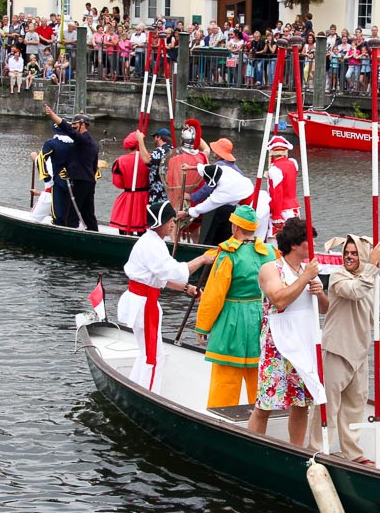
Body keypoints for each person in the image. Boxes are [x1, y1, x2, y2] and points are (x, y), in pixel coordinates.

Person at [116, 201, 214, 392]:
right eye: (171, 221)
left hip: (143, 301)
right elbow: (174, 272)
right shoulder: (153, 245)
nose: (173, 225)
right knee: (154, 357)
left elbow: (160, 277)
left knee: (148, 353)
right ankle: (148, 396)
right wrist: (202, 259)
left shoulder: (152, 241)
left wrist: (186, 288)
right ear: (160, 222)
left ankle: (137, 387)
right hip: (145, 305)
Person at [308, 235, 380, 462]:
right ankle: (317, 449)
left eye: (354, 253)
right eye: (346, 253)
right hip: (336, 349)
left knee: (356, 404)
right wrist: (372, 266)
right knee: (328, 405)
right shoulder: (337, 277)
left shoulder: (379, 284)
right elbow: (355, 291)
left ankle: (353, 453)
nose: (349, 257)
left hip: (360, 353)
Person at [249, 218, 328, 446]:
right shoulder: (271, 268)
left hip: (304, 339)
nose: (313, 245)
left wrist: (320, 293)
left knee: (301, 401)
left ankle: (296, 449)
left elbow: (323, 309)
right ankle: (252, 445)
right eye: (309, 241)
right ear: (295, 244)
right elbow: (279, 300)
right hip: (278, 342)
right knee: (266, 402)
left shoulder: (307, 270)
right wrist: (305, 279)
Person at [194, 205, 279, 409]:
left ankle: (220, 415)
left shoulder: (228, 254)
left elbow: (215, 294)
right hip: (261, 318)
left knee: (226, 377)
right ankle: (261, 417)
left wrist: (203, 326)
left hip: (232, 319)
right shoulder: (270, 252)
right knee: (259, 375)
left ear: (236, 228)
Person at [46, 104, 99, 231]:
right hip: (89, 181)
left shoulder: (84, 140)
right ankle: (93, 232)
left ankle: (69, 236)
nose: (73, 127)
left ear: (83, 124)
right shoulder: (93, 143)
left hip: (80, 181)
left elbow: (67, 129)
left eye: (75, 124)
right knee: (87, 212)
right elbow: (94, 166)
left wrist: (53, 116)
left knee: (70, 212)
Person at [177, 162, 254, 246]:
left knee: (221, 236)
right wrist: (189, 167)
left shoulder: (223, 191)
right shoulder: (222, 168)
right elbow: (205, 168)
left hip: (248, 198)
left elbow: (207, 205)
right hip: (236, 197)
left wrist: (187, 213)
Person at [109, 132, 149, 235]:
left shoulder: (120, 161)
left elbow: (117, 183)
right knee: (143, 228)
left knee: (125, 226)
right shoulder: (149, 158)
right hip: (144, 197)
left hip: (128, 196)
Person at [266, 136, 300, 236]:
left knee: (278, 239)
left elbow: (277, 193)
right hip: (294, 208)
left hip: (281, 210)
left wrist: (276, 215)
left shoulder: (275, 169)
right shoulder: (293, 163)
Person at [136, 128, 172, 204]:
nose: (154, 140)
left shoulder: (160, 150)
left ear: (159, 137)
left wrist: (140, 141)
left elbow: (147, 160)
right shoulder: (174, 150)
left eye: (155, 137)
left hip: (158, 194)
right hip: (170, 194)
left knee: (156, 215)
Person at [28, 146, 54, 223]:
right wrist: (38, 193)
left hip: (48, 198)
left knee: (33, 219)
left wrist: (35, 154)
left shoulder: (44, 164)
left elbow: (33, 155)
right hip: (65, 197)